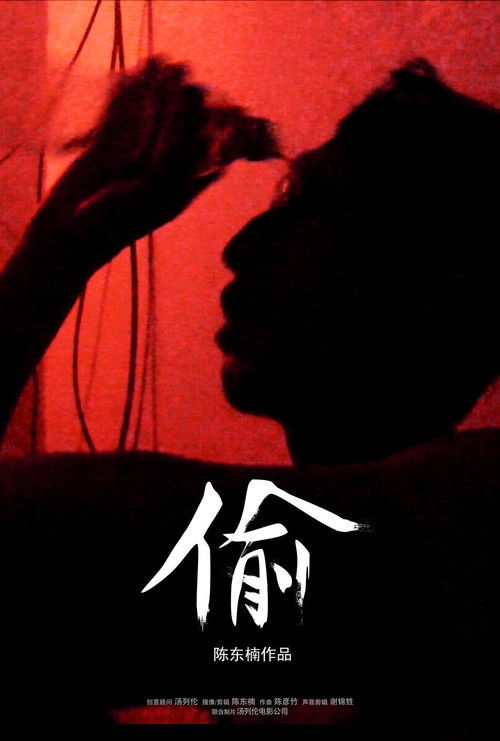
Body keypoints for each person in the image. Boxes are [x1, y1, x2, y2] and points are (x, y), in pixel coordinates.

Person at [0, 58, 497, 732]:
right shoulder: (285, 639)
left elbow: (25, 539)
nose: (240, 246)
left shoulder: (473, 513)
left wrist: (58, 248)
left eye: (312, 206)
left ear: (445, 285)